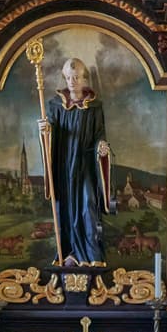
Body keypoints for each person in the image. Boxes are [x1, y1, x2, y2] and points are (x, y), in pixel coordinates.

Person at [41, 57, 114, 265]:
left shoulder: (94, 107)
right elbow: (51, 133)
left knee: (88, 205)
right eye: (68, 77)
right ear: (65, 78)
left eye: (76, 77)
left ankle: (91, 257)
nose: (72, 81)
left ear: (84, 79)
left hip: (85, 166)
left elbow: (100, 133)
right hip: (64, 166)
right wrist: (45, 132)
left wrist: (101, 146)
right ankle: (68, 253)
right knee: (64, 208)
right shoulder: (55, 105)